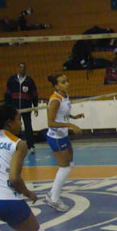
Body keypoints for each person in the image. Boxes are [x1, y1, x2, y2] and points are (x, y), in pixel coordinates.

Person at [44, 73, 84, 212]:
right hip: (56, 137)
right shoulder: (55, 100)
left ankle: (52, 193)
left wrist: (73, 116)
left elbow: (63, 113)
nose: (67, 83)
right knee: (65, 167)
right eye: (63, 82)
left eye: (67, 81)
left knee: (70, 164)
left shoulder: (65, 95)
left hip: (63, 135)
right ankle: (53, 198)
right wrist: (70, 125)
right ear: (56, 86)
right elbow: (50, 122)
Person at [4, 63, 38, 153]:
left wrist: (35, 106)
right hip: (14, 109)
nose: (22, 69)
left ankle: (31, 146)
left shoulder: (29, 80)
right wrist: (6, 106)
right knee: (13, 127)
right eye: (20, 67)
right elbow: (7, 94)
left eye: (23, 67)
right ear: (17, 68)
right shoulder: (12, 80)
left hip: (26, 108)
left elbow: (34, 94)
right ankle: (13, 146)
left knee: (28, 126)